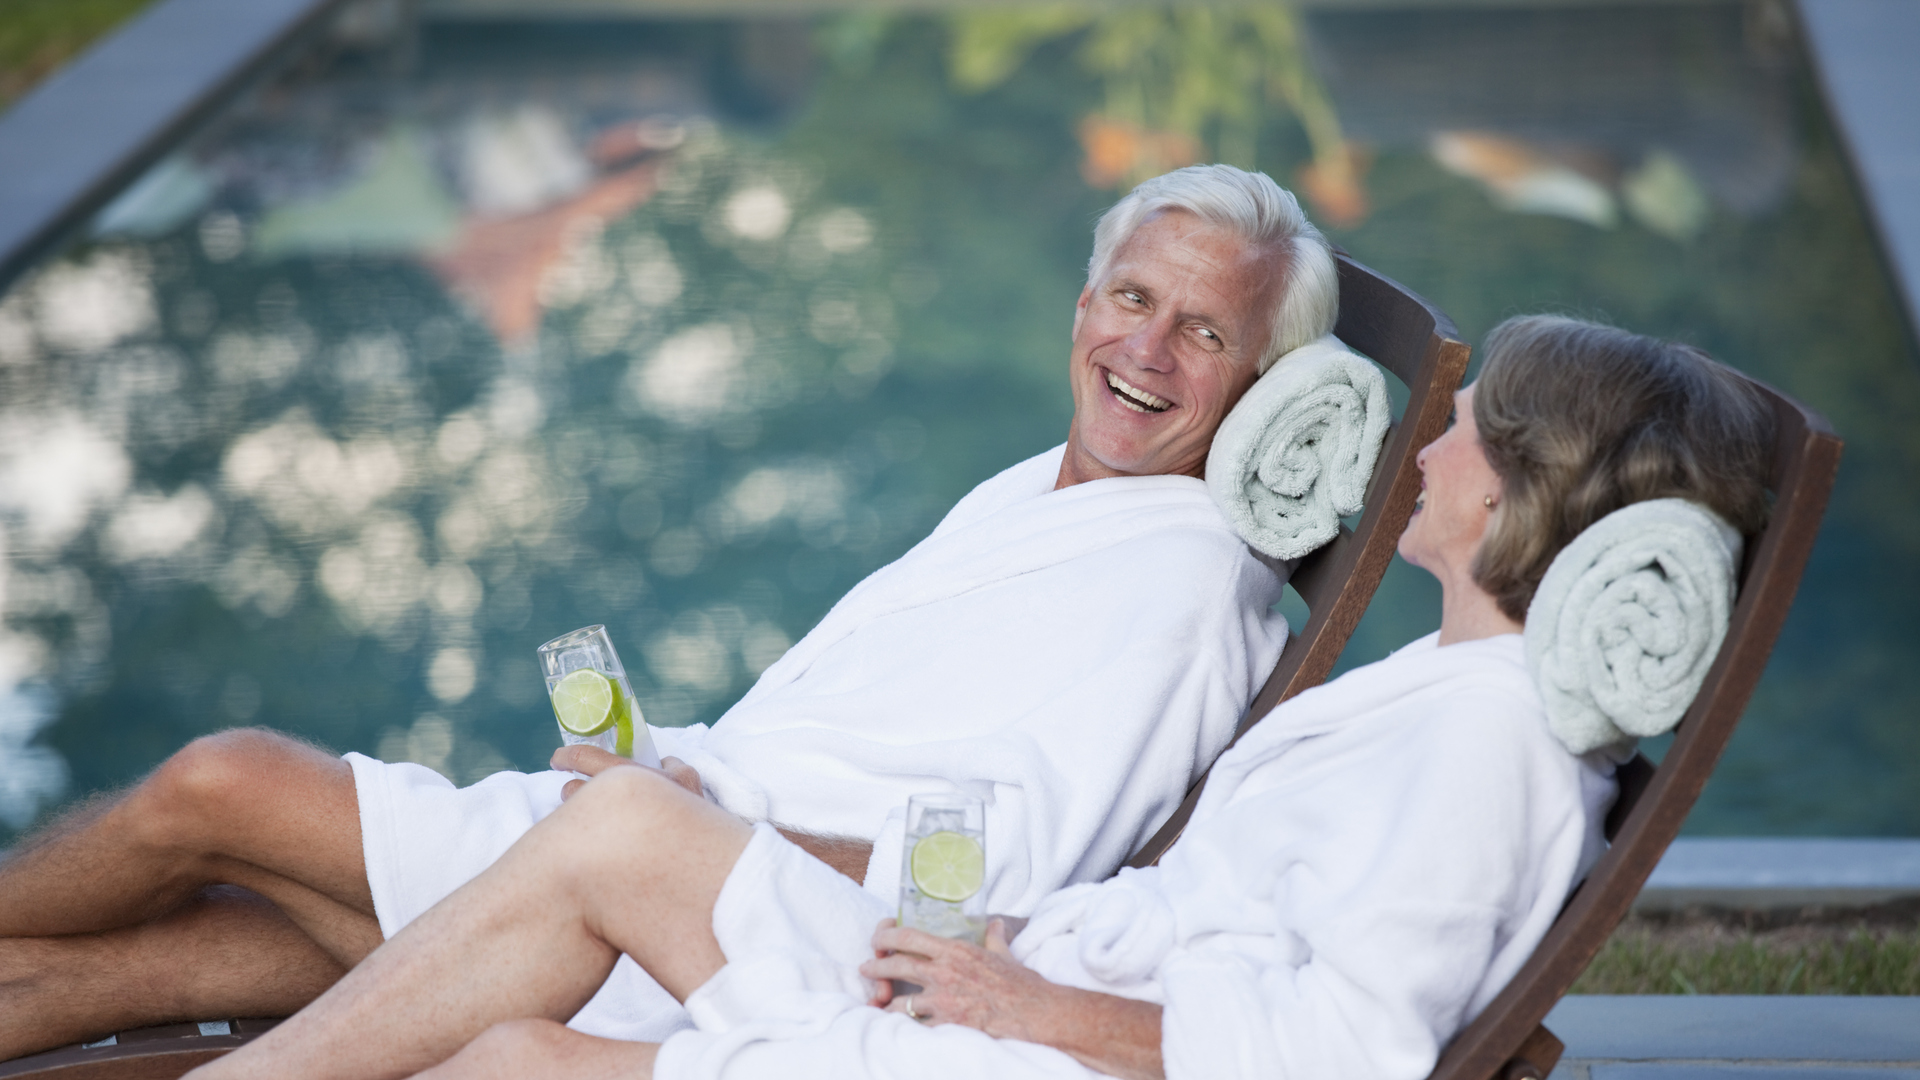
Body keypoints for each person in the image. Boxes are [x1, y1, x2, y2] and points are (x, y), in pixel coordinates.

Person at [181, 315, 1777, 1080]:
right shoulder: (1455, 692)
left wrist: (1031, 1005)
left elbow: (1345, 1053)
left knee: (557, 981)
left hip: (1038, 1056)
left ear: (1518, 494)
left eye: (1464, 435)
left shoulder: (1491, 746)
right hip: (1015, 986)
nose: (1415, 455)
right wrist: (1009, 953)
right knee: (574, 931)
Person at [0, 164, 1343, 1059]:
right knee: (195, 951)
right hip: (686, 829)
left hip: (734, 926)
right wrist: (682, 773)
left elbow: (981, 891)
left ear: (1264, 389)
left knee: (221, 783)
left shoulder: (1180, 589)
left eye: (1207, 335)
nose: (1146, 354)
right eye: (1132, 299)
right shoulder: (1045, 493)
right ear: (1084, 300)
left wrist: (706, 817)